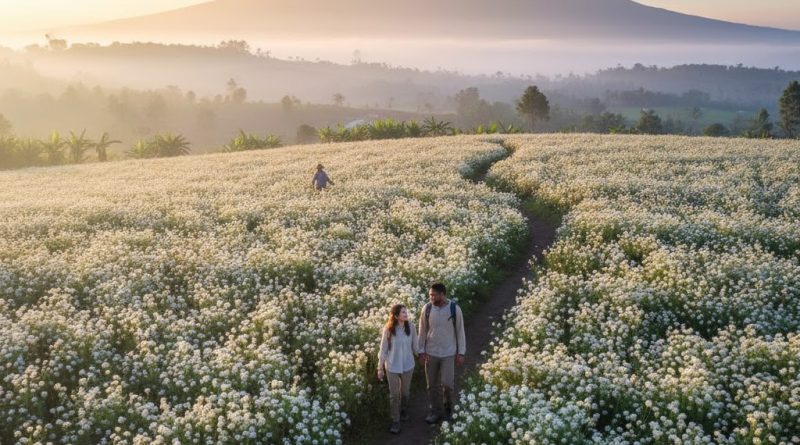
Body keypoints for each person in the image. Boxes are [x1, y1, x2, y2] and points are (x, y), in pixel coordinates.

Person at [418, 283, 466, 424]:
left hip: (448, 353)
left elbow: (460, 331)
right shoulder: (426, 309)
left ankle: (449, 409)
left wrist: (461, 352)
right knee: (431, 385)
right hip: (431, 352)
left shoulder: (454, 309)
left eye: (434, 295)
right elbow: (422, 331)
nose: (431, 297)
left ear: (443, 294)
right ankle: (435, 411)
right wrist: (421, 351)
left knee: (447, 383)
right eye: (430, 295)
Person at [378, 304, 419, 434]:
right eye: (403, 312)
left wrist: (425, 357)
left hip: (408, 365)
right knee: (394, 395)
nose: (406, 314)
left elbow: (416, 347)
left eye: (406, 312)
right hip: (392, 366)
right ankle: (396, 421)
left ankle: (403, 410)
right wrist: (380, 368)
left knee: (405, 393)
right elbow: (383, 349)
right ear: (396, 316)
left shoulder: (411, 327)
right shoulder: (388, 329)